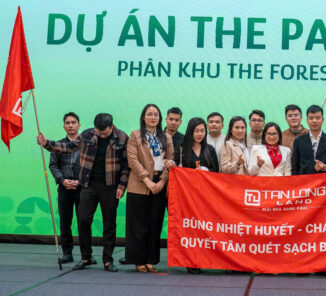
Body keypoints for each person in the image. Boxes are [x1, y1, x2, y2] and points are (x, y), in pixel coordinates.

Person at [37, 113, 129, 272]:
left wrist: (122, 186)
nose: (101, 135)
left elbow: (126, 165)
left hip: (110, 187)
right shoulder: (87, 134)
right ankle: (86, 257)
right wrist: (47, 143)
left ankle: (108, 260)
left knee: (109, 224)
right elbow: (68, 147)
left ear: (111, 127)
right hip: (88, 186)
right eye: (98, 132)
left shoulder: (122, 137)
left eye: (104, 133)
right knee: (83, 221)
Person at [167, 117, 219, 274]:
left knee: (203, 230)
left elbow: (217, 173)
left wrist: (206, 172)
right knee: (190, 230)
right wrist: (170, 164)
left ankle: (203, 259)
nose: (200, 134)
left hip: (205, 198)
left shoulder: (210, 150)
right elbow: (174, 168)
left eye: (202, 131)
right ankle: (190, 261)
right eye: (196, 131)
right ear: (190, 132)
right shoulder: (181, 149)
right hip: (187, 198)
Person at [125, 104, 174, 273]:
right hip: (139, 184)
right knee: (138, 225)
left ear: (160, 118)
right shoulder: (135, 135)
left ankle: (151, 260)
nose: (153, 117)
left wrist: (162, 181)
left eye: (156, 115)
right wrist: (147, 181)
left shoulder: (166, 137)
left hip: (160, 183)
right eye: (149, 114)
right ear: (143, 117)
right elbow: (133, 161)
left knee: (155, 223)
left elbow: (170, 159)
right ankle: (138, 260)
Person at [48, 112, 81, 263]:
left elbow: (91, 166)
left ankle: (87, 254)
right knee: (65, 221)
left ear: (79, 125)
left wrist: (80, 181)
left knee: (84, 222)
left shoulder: (87, 145)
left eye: (73, 122)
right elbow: (53, 165)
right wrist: (62, 180)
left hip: (83, 189)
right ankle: (67, 252)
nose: (71, 125)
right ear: (64, 127)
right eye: (67, 123)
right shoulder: (57, 145)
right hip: (64, 188)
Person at [291, 105, 326, 175]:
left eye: (318, 118)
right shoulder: (298, 141)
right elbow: (295, 166)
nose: (314, 121)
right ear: (307, 120)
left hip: (325, 179)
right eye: (311, 118)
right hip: (305, 180)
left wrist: (325, 167)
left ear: (322, 120)